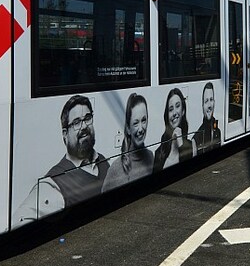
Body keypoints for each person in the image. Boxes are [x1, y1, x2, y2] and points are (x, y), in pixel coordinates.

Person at [12, 95, 108, 225]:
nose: (84, 126)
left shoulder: (102, 161)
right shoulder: (54, 183)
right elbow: (18, 222)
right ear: (65, 134)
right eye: (76, 122)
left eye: (87, 118)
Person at [103, 93, 155, 192]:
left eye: (144, 120)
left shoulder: (150, 156)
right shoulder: (115, 170)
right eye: (135, 123)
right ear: (128, 128)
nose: (141, 129)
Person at [154, 88, 196, 172]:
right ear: (167, 115)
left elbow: (190, 174)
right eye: (170, 109)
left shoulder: (192, 145)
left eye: (177, 106)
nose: (174, 113)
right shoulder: (158, 152)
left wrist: (181, 145)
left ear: (183, 111)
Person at [192, 82, 221, 154]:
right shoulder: (196, 139)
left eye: (211, 100)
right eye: (206, 101)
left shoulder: (218, 131)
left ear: (214, 102)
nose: (209, 105)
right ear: (202, 106)